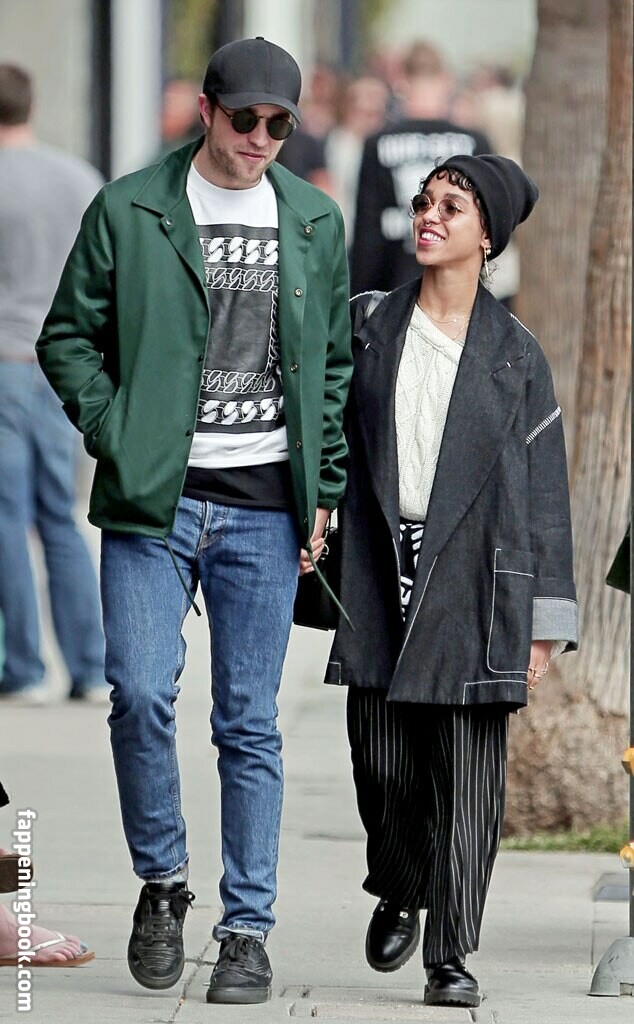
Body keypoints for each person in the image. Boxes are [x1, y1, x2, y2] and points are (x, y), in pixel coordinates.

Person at [36, 36, 352, 1003]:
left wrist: (324, 487)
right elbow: (67, 337)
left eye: (279, 125)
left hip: (263, 508)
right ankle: (164, 882)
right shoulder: (130, 207)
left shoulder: (312, 219)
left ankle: (247, 929)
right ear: (206, 110)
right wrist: (118, 431)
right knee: (138, 693)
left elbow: (331, 365)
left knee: (248, 722)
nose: (259, 138)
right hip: (155, 501)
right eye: (244, 118)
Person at [326, 154, 578, 1007]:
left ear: (488, 237)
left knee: (470, 780)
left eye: (451, 207)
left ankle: (451, 954)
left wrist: (545, 623)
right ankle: (401, 882)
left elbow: (546, 495)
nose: (429, 216)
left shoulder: (518, 355)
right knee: (382, 763)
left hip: (479, 580)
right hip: (379, 570)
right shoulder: (367, 322)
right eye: (424, 201)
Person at [0, 64, 106, 705]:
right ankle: (90, 668)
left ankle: (25, 668)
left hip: (5, 361)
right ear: (31, 104)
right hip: (63, 366)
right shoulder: (78, 178)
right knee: (61, 517)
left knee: (7, 518)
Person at [349, 41, 491, 296]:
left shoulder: (378, 143)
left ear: (401, 82)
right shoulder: (474, 142)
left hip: (393, 284)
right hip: (458, 289)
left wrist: (360, 294)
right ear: (446, 80)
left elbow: (367, 232)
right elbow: (487, 223)